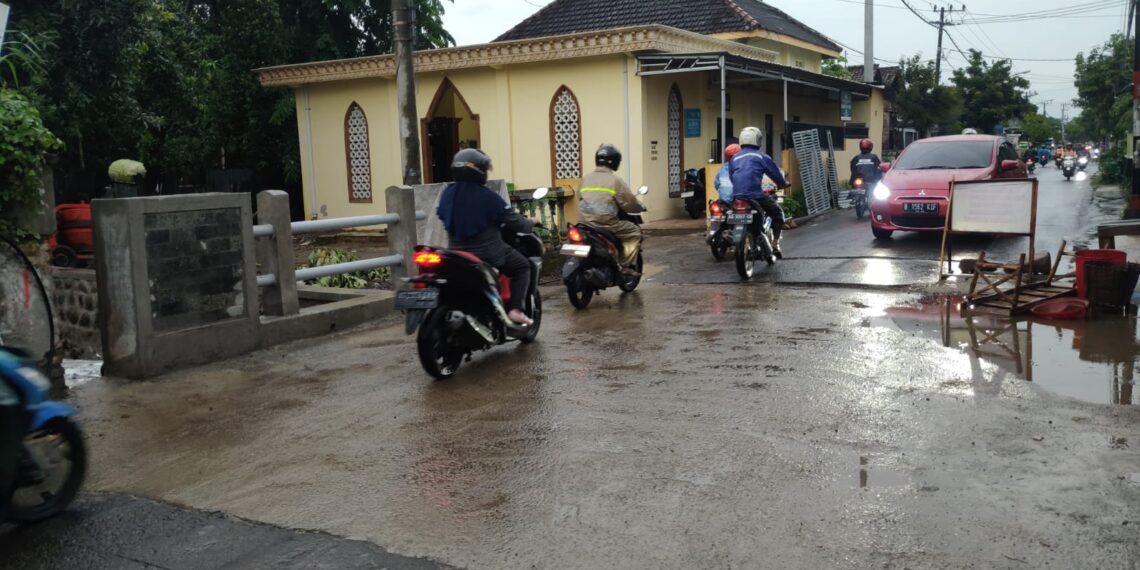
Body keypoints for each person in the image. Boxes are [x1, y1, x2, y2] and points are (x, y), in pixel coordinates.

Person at [436, 149, 535, 326]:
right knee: (522, 266)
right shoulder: (488, 196)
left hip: (456, 255)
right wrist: (531, 222)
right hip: (488, 254)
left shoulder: (447, 194)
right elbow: (517, 223)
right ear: (480, 171)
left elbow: (441, 215)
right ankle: (516, 310)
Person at [578, 144, 645, 276]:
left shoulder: (585, 178)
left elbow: (579, 197)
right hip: (606, 224)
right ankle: (625, 266)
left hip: (584, 223)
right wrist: (639, 207)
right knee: (634, 232)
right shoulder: (615, 180)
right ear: (615, 162)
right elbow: (628, 202)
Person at [729, 126, 789, 256]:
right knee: (778, 213)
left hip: (738, 196)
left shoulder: (734, 159)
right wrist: (782, 184)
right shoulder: (762, 157)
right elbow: (775, 174)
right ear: (758, 140)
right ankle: (775, 244)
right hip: (755, 195)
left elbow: (732, 177)